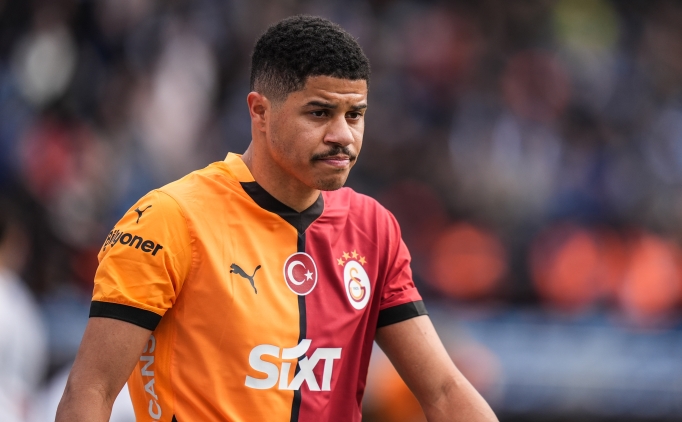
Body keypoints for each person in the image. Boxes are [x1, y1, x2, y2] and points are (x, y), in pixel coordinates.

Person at [56, 15, 498, 422]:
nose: (342, 135)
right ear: (260, 111)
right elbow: (91, 391)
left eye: (355, 115)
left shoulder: (373, 229)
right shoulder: (169, 219)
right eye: (319, 113)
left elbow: (444, 391)